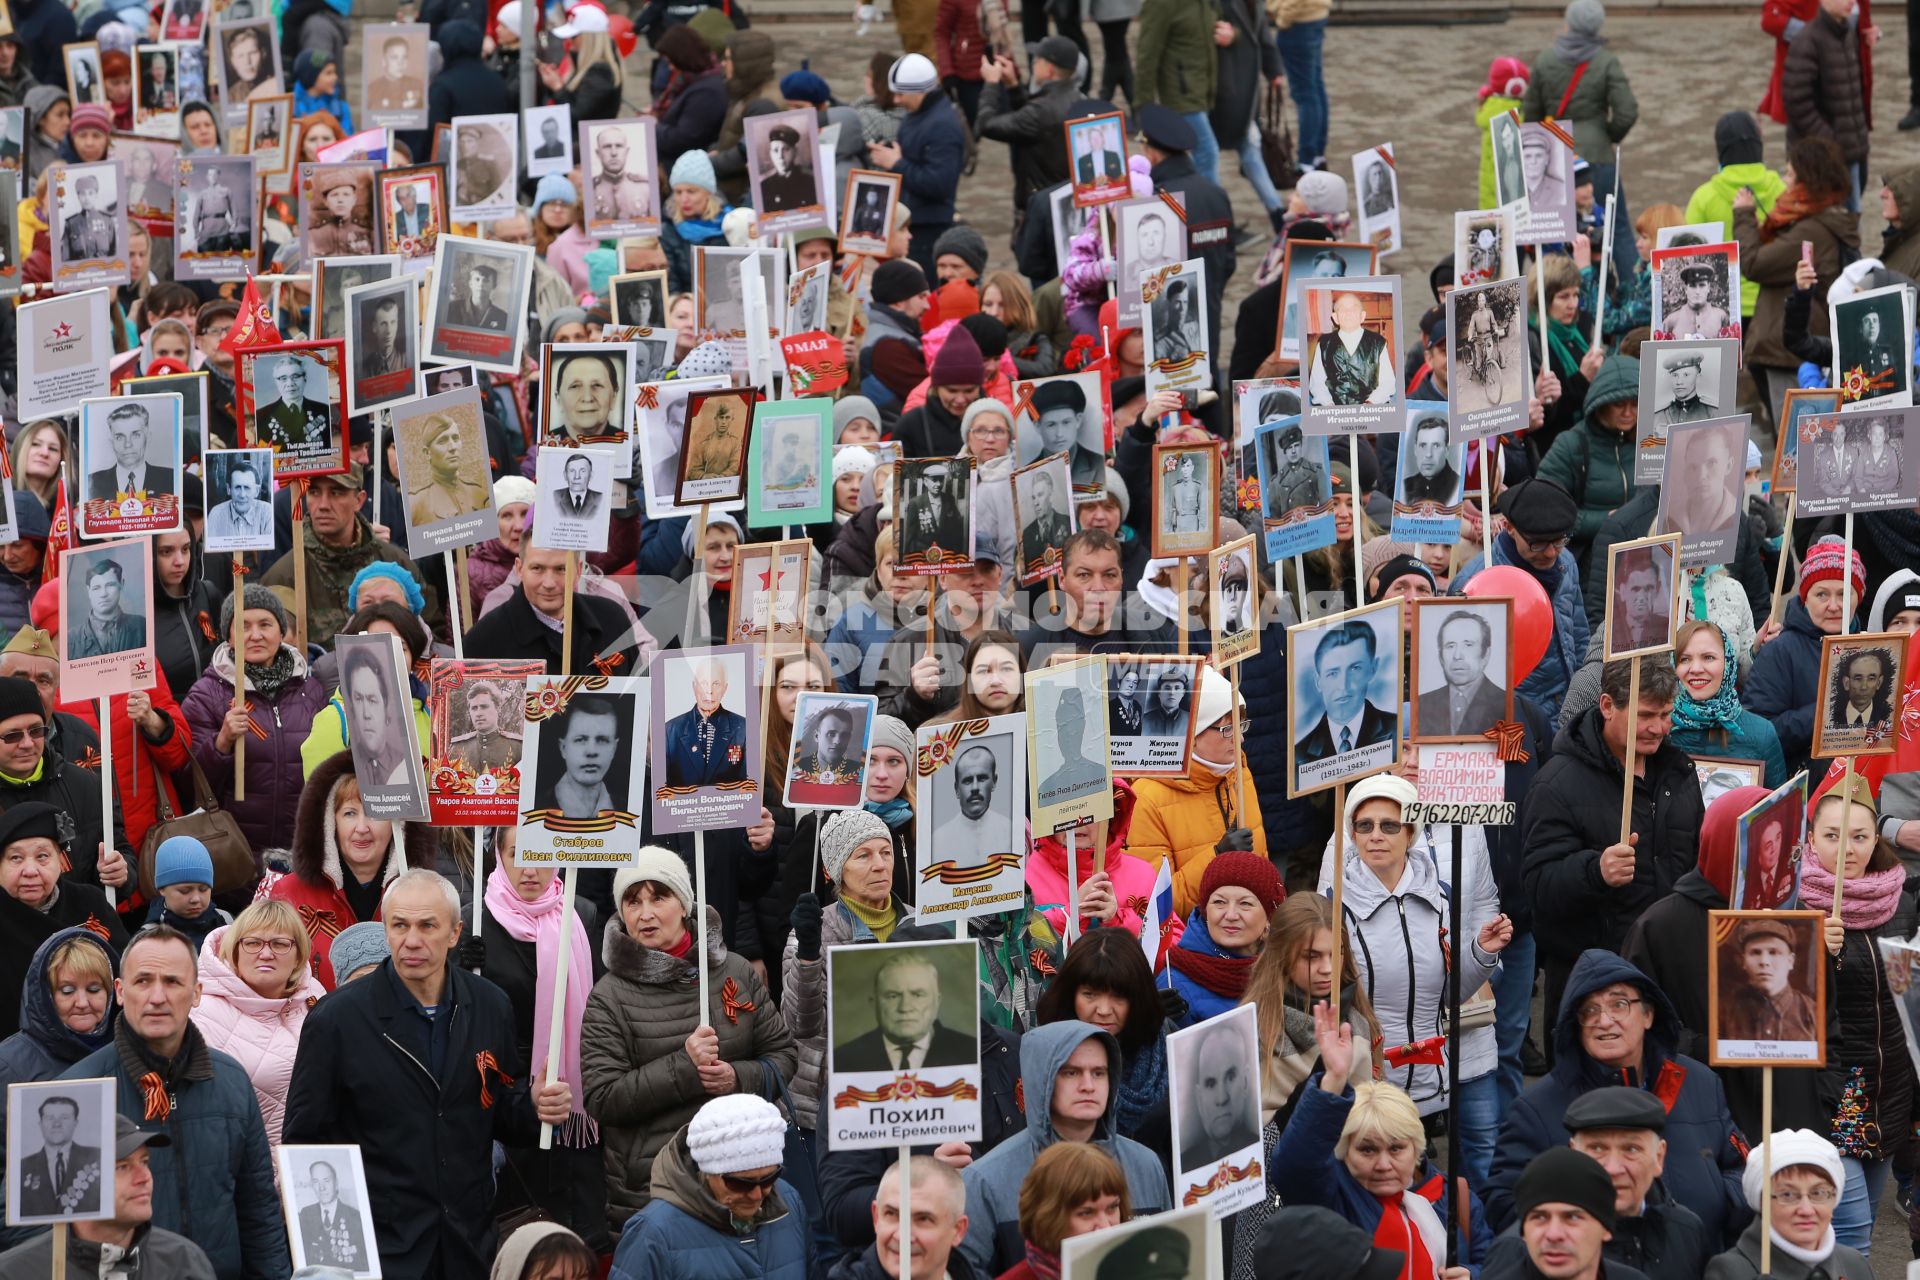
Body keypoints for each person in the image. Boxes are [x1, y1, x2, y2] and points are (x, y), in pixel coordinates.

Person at [282, 870, 572, 1279]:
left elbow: (501, 1114)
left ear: (455, 933)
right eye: (399, 925)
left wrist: (537, 1108)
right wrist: (334, 1262)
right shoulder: (336, 1021)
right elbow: (306, 1144)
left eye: (427, 926)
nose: (411, 940)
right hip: (383, 1251)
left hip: (468, 1247)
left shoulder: (490, 1006)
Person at [60, 924, 288, 1280]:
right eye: (143, 981)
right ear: (120, 991)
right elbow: (42, 1230)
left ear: (196, 993)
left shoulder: (231, 1082)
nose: (156, 997)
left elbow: (259, 1210)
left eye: (172, 982)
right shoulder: (74, 1093)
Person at [582, 848, 796, 1226]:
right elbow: (603, 1098)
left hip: (744, 1175)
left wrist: (736, 1077)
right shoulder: (608, 996)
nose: (645, 913)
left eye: (658, 897)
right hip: (655, 1191)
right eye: (633, 901)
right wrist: (685, 1067)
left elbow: (782, 1054)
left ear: (684, 904)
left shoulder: (736, 970)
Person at [1484, 949, 1749, 1250]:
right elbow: (1503, 1203)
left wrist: (1711, 1202)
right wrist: (1579, 1227)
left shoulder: (1699, 1082)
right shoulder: (1535, 1109)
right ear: (1576, 1024)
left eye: (1619, 1004)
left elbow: (1740, 1167)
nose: (1605, 1021)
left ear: (1648, 1014)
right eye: (1590, 1010)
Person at [1521, 657, 1701, 1030]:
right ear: (1607, 706)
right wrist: (1595, 871)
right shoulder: (1557, 783)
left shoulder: (1678, 772)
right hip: (1591, 979)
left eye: (1667, 715)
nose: (1659, 728)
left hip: (1669, 972)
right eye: (1646, 715)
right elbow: (1538, 887)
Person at [1268, 1004, 1487, 1279]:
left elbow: (1494, 1263)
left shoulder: (1453, 1195)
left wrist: (1472, 1275)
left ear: (1417, 1147)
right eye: (1367, 1149)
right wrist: (1334, 1081)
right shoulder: (1333, 1198)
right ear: (1346, 1151)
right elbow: (1293, 1168)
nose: (1383, 1164)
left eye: (1396, 1148)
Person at [1789, 777, 1914, 1254]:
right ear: (1811, 840)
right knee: (1855, 1234)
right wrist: (1813, 953)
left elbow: (1906, 1000)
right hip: (1835, 1093)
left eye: (1860, 837)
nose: (1846, 850)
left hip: (1892, 1090)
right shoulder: (1791, 905)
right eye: (1832, 836)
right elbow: (1779, 1010)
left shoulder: (1900, 903)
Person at [957, 1020, 1171, 1275]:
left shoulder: (1145, 1165)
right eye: (1071, 1072)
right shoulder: (985, 1180)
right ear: (1041, 1078)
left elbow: (1166, 1263)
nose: (1088, 1086)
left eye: (1099, 1073)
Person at [607, 1094, 808, 1280]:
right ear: (707, 1171)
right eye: (740, 1183)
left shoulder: (790, 1201)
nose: (757, 1195)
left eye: (769, 1179)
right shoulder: (652, 1232)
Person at [0, 929, 117, 1249]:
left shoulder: (128, 1055)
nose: (82, 1002)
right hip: (40, 1248)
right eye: (67, 990)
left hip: (120, 1243)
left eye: (94, 989)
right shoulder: (9, 1065)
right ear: (46, 996)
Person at [270, 750, 425, 989]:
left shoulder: (422, 895)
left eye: (375, 813)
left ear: (398, 824)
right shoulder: (288, 893)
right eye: (349, 813)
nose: (362, 828)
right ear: (330, 823)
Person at [0, 1114, 216, 1280]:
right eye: (122, 1167)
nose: (144, 1177)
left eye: (145, 1162)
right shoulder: (15, 1272)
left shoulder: (183, 1261)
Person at [189, 900, 327, 1146]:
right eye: (253, 943)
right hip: (245, 1169)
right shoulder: (201, 1010)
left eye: (280, 943)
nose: (266, 953)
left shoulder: (315, 996)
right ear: (235, 951)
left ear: (298, 955)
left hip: (311, 1166)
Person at [0, 802, 128, 1043]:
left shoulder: (89, 903)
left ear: (61, 861)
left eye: (42, 857)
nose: (30, 870)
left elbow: (125, 976)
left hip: (95, 1047)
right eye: (16, 858)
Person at [1746, 537, 1863, 777]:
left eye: (1844, 594)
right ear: (1804, 597)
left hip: (1860, 787)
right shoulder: (1779, 651)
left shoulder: (1871, 648)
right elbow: (1758, 734)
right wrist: (1826, 711)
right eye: (1822, 594)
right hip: (1803, 788)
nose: (1834, 605)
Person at [1705, 1131, 1869, 1279]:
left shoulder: (1853, 1263)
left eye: (1818, 1193)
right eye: (1788, 1195)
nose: (1806, 1209)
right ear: (1762, 1202)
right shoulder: (1731, 1272)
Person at [837, 949, 974, 1071]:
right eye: (893, 996)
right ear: (874, 1003)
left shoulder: (971, 1052)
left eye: (917, 995)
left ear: (937, 1001)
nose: (905, 1007)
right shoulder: (843, 1059)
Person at [1294, 618, 1397, 765]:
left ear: (1373, 668)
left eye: (1355, 669)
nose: (1343, 685)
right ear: (1318, 681)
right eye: (1332, 673)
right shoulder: (1299, 756)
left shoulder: (1397, 734)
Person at [1719, 917, 1819, 1046]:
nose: (1764, 962)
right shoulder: (1725, 1011)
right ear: (1743, 961)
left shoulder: (1811, 1011)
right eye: (1755, 952)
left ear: (1790, 961)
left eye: (1774, 952)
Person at [1416, 607, 1507, 738]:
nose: (1457, 655)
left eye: (1468, 645)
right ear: (1441, 656)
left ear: (1486, 654)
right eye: (1450, 646)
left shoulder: (1506, 704)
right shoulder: (1422, 704)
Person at [1308, 292, 1394, 407]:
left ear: (1362, 316)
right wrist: (1329, 405)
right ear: (1335, 318)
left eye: (1353, 309)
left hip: (1371, 409)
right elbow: (1317, 383)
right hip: (1334, 411)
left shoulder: (1378, 343)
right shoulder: (1324, 344)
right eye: (1342, 309)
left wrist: (1370, 403)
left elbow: (1388, 383)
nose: (1348, 313)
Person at [407, 414, 490, 525]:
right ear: (427, 453)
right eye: (442, 441)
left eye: (455, 439)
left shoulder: (480, 495)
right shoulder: (415, 504)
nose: (452, 447)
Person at [88, 402, 172, 501]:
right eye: (119, 437)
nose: (128, 444)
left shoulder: (170, 479)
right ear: (111, 442)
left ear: (148, 437)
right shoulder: (91, 483)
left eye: (136, 435)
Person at [68, 557, 146, 658]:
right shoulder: (71, 638)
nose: (103, 594)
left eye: (110, 585)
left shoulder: (141, 626)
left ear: (121, 584)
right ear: (88, 591)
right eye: (96, 588)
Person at [206, 457, 273, 541]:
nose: (242, 495)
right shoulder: (216, 514)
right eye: (237, 487)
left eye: (247, 488)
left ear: (256, 491)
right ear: (228, 489)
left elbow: (269, 552)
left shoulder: (267, 512)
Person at [1830, 646, 1893, 729]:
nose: (1864, 687)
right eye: (1858, 678)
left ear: (1879, 683)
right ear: (1846, 683)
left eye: (1871, 678)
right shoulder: (1831, 716)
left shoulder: (1888, 716)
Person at [61, 173, 115, 261]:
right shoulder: (71, 223)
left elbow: (115, 254)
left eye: (91, 193)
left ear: (96, 195)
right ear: (78, 196)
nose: (87, 198)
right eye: (82, 194)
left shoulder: (107, 220)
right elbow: (65, 259)